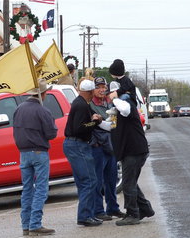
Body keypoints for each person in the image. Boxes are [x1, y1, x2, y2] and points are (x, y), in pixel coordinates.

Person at [108, 59, 155, 226]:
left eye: (111, 93)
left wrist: (115, 98)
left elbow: (125, 109)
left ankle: (133, 214)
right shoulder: (117, 109)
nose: (109, 95)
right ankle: (145, 209)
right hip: (130, 150)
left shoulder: (126, 103)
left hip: (134, 151)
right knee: (131, 182)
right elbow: (111, 126)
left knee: (128, 183)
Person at [13, 79, 58, 236]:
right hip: (39, 152)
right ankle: (35, 224)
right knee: (41, 188)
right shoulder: (42, 111)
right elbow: (52, 133)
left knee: (27, 189)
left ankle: (26, 225)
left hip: (23, 153)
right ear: (43, 94)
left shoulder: (19, 109)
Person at [63, 79, 104, 227]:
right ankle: (85, 216)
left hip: (74, 144)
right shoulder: (81, 105)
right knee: (90, 180)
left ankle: (88, 214)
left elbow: (90, 119)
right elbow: (80, 128)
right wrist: (95, 122)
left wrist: (96, 118)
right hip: (77, 144)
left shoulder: (80, 103)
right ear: (91, 92)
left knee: (83, 181)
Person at [89, 77, 125, 221]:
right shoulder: (90, 105)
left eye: (104, 87)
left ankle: (112, 208)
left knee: (111, 180)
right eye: (98, 87)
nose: (102, 90)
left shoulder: (110, 103)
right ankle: (98, 210)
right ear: (93, 89)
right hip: (98, 147)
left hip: (111, 146)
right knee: (98, 181)